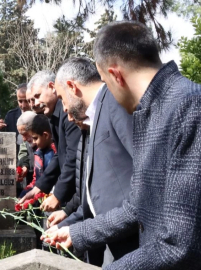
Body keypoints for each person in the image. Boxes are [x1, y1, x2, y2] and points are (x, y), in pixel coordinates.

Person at [43, 21, 201, 269]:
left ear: (116, 75)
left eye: (105, 82)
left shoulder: (197, 109)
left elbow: (180, 245)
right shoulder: (154, 113)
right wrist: (78, 233)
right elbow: (136, 207)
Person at [45, 57, 137, 267]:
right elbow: (97, 193)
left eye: (61, 98)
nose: (65, 109)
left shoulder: (115, 102)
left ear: (71, 86)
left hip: (133, 242)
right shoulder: (95, 115)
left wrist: (81, 231)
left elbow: (144, 176)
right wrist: (70, 224)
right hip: (115, 238)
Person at [19, 71, 81, 212]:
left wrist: (57, 195)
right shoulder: (53, 115)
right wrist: (39, 187)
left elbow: (73, 156)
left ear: (52, 87)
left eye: (37, 96)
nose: (35, 104)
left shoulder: (66, 112)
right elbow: (59, 156)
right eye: (31, 100)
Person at [20, 114, 56, 198]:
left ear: (46, 135)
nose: (34, 142)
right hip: (38, 194)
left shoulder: (56, 153)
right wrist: (24, 193)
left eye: (36, 138)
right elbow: (36, 179)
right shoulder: (37, 153)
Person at [16, 111, 38, 188]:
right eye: (22, 135)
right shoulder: (28, 142)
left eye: (26, 134)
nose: (24, 139)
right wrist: (25, 166)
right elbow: (24, 153)